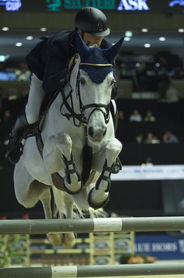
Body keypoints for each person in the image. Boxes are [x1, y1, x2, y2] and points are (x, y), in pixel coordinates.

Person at [6, 7, 117, 164]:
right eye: (93, 36)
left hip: (83, 86)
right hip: (45, 74)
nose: (98, 41)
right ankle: (14, 140)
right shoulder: (59, 44)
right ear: (79, 32)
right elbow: (50, 83)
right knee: (32, 115)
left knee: (111, 104)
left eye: (101, 36)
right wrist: (71, 69)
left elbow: (114, 90)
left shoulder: (106, 48)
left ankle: (109, 146)